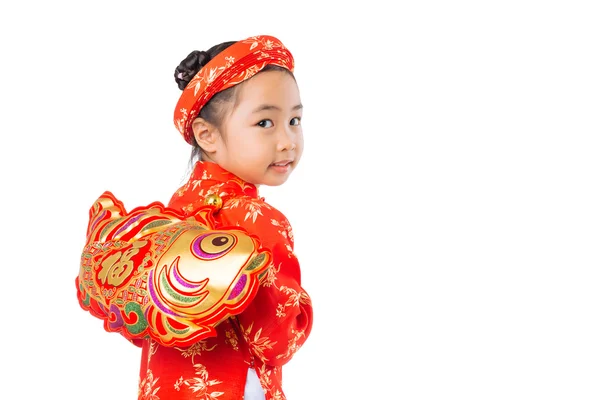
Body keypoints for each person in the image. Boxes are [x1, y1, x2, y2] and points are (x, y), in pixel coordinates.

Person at [76, 34, 313, 400]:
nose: (288, 141)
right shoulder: (260, 221)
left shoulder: (176, 207)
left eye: (295, 120)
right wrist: (303, 310)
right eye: (265, 123)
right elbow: (276, 341)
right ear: (206, 134)